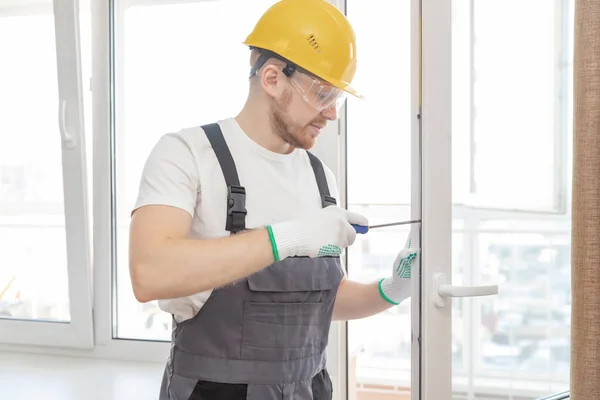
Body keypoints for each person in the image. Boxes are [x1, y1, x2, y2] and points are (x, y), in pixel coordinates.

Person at [128, 0, 419, 399]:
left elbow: (312, 303)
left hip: (308, 389)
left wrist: (392, 289)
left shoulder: (320, 178)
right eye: (322, 94)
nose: (331, 113)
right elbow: (150, 273)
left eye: (339, 99)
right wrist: (287, 237)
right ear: (271, 78)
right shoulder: (187, 153)